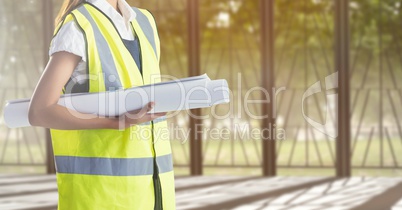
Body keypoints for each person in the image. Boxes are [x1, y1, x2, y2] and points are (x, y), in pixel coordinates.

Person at [28, 0, 176, 209]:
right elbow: (40, 111)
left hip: (154, 192)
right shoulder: (78, 24)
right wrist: (114, 122)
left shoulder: (145, 21)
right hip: (101, 196)